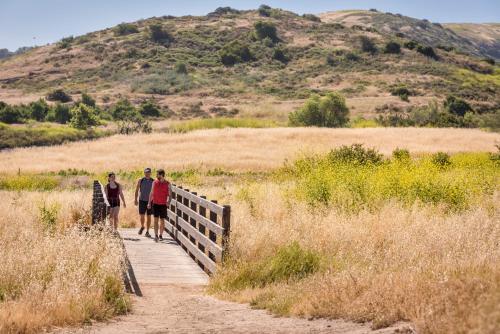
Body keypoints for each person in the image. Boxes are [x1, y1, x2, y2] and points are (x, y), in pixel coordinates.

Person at [147, 169, 171, 242]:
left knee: (162, 220)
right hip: (155, 203)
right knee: (155, 220)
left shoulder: (167, 183)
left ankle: (161, 235)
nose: (156, 176)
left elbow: (170, 195)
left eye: (157, 174)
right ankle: (156, 235)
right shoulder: (154, 182)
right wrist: (149, 203)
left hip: (163, 204)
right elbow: (151, 193)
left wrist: (168, 201)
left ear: (161, 175)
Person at [134, 167, 154, 237]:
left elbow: (155, 192)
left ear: (150, 173)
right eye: (146, 172)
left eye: (148, 172)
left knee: (149, 216)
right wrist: (135, 199)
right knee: (142, 215)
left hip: (150, 201)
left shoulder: (153, 181)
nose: (147, 173)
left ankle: (147, 231)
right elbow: (136, 190)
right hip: (142, 200)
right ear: (144, 173)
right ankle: (142, 226)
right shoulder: (141, 180)